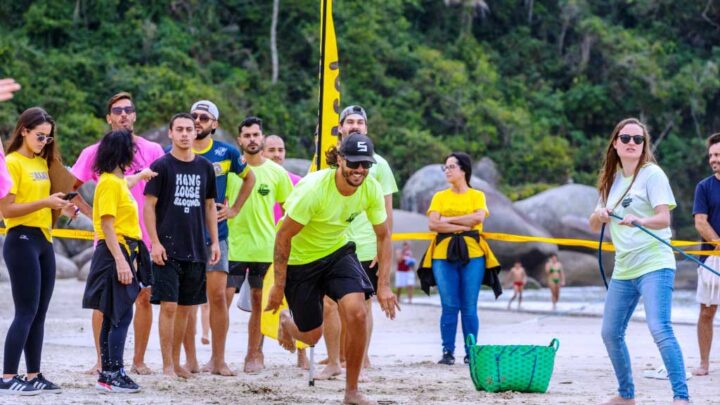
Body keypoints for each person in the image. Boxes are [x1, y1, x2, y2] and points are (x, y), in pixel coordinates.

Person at [266, 133, 399, 405]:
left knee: (357, 312)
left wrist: (384, 285)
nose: (359, 170)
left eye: (365, 164)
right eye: (353, 163)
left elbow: (384, 236)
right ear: (339, 160)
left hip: (337, 252)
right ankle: (286, 323)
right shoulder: (314, 190)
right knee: (311, 335)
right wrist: (278, 286)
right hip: (300, 260)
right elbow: (283, 236)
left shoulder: (370, 188)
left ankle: (351, 391)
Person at [589, 117, 689, 405]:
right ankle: (626, 394)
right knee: (609, 333)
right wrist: (600, 215)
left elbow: (663, 218)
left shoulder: (652, 174)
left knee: (659, 328)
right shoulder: (610, 181)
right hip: (624, 268)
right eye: (626, 138)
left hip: (655, 264)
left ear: (644, 145)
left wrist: (639, 220)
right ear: (615, 143)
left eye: (638, 139)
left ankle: (681, 397)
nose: (632, 143)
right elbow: (594, 224)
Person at [71, 91, 164, 376]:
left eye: (128, 109)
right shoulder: (95, 152)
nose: (124, 114)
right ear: (109, 117)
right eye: (117, 110)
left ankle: (138, 360)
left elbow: (163, 190)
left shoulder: (151, 150)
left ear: (134, 115)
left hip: (144, 236)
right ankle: (102, 361)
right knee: (104, 300)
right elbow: (70, 187)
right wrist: (92, 214)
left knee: (144, 297)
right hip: (111, 239)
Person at [318, 105, 398, 380]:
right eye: (349, 121)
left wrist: (383, 248)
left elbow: (387, 213)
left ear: (366, 128)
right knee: (330, 303)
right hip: (331, 242)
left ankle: (361, 358)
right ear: (340, 127)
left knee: (363, 305)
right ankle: (333, 360)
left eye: (359, 122)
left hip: (365, 244)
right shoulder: (328, 159)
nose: (354, 125)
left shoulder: (380, 165)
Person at [0, 107, 74, 395]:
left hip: (44, 240)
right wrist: (45, 203)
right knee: (25, 311)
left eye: (48, 138)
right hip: (20, 239)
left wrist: (62, 206)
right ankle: (7, 376)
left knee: (40, 313)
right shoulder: (12, 163)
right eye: (40, 136)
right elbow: (7, 210)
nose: (44, 142)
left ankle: (33, 374)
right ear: (24, 131)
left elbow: (45, 199)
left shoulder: (42, 164)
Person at [144, 112, 220, 379]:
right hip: (166, 247)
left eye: (190, 129)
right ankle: (167, 365)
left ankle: (177, 363)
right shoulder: (161, 166)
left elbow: (210, 205)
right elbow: (149, 207)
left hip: (196, 246)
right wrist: (154, 242)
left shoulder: (205, 168)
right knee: (169, 306)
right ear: (171, 133)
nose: (186, 133)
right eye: (180, 129)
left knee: (187, 309)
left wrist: (213, 241)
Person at [181, 100, 254, 376]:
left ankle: (219, 360)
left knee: (218, 298)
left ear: (215, 124)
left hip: (216, 236)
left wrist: (234, 208)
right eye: (194, 116)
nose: (197, 120)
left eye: (204, 117)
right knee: (186, 300)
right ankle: (190, 361)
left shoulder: (227, 152)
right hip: (183, 237)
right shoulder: (175, 151)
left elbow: (250, 178)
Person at [82, 129, 155, 393]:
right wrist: (122, 262)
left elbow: (125, 185)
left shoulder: (115, 181)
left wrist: (142, 175)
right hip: (116, 251)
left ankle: (108, 372)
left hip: (123, 250)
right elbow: (107, 225)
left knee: (115, 312)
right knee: (121, 315)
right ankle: (114, 372)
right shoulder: (109, 184)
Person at [226, 117, 293, 373]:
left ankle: (254, 354)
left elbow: (290, 211)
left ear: (262, 138)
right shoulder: (231, 169)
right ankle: (217, 356)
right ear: (239, 140)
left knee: (259, 302)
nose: (252, 139)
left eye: (256, 134)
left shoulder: (277, 173)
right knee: (223, 300)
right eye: (247, 135)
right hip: (231, 245)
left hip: (264, 248)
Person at [423, 152, 500, 366]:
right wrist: (463, 225)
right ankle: (447, 352)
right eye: (445, 167)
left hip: (473, 255)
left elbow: (478, 218)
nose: (447, 171)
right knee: (449, 305)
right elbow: (433, 224)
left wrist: (448, 220)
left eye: (451, 167)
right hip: (442, 255)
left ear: (463, 169)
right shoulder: (439, 196)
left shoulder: (477, 195)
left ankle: (471, 352)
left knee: (469, 306)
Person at [261, 134, 309, 369]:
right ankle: (255, 353)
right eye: (271, 150)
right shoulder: (255, 176)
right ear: (262, 152)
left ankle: (302, 354)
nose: (277, 154)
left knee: (299, 299)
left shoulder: (298, 181)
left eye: (280, 149)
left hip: (294, 248)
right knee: (261, 301)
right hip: (263, 248)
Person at [691, 132, 720, 377]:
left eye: (718, 154)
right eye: (711, 155)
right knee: (707, 311)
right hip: (713, 258)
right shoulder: (704, 187)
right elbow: (700, 222)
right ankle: (704, 363)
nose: (714, 159)